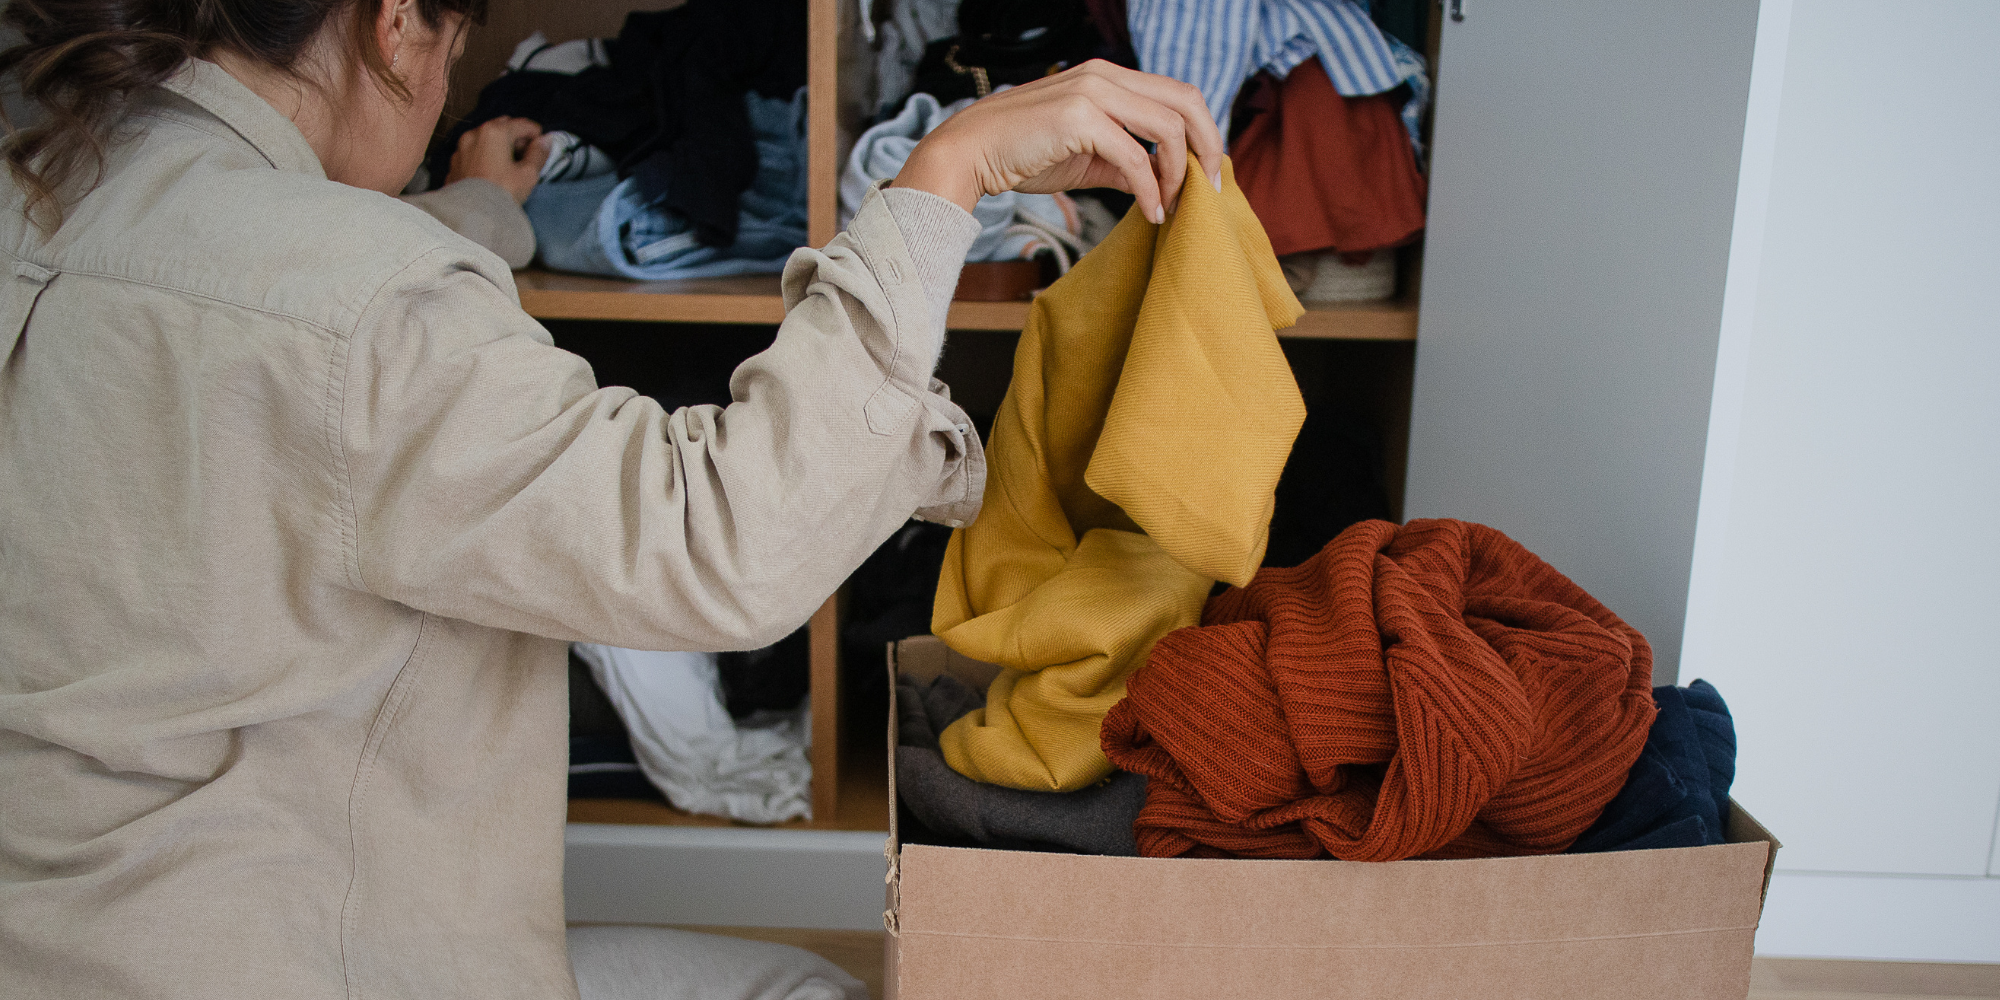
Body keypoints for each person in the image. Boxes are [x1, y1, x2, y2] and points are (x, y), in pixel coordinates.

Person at [0, 0, 1224, 997]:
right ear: (392, 29)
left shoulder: (48, 189)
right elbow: (720, 547)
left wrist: (482, 213)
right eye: (452, 51)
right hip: (303, 956)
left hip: (61, 936)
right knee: (813, 992)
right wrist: (943, 175)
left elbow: (273, 304)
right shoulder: (364, 303)